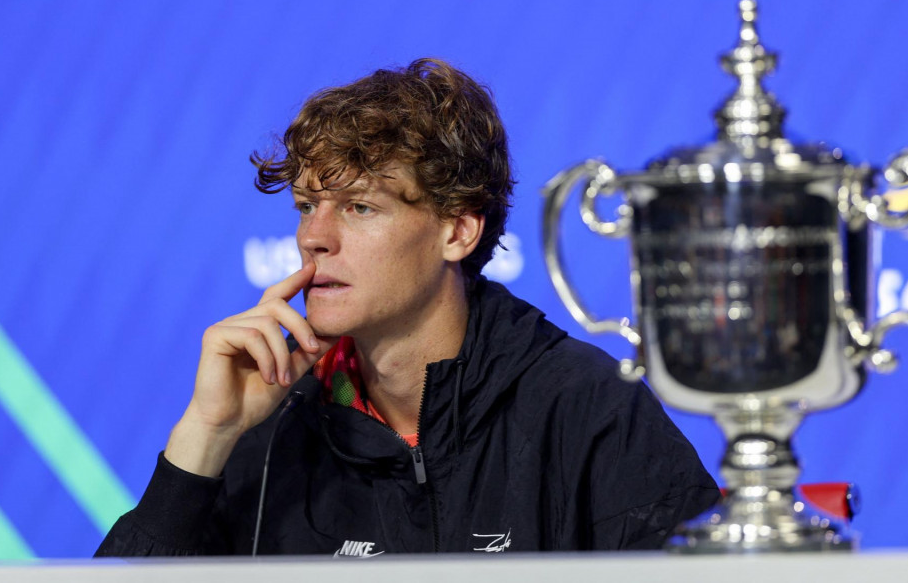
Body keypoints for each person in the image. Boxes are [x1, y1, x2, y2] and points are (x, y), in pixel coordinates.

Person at [95, 58, 719, 557]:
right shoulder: (271, 422)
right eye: (308, 206)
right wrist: (205, 436)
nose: (315, 235)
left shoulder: (588, 411)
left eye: (360, 207)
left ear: (458, 232)